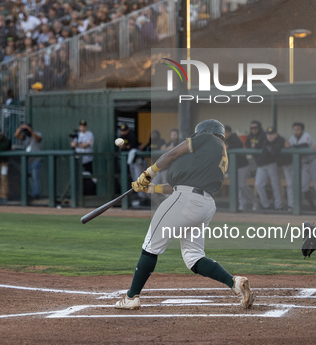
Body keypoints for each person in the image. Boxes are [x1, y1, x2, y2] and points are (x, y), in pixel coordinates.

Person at [114, 119, 253, 310]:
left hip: (186, 200)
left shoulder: (208, 139)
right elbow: (181, 186)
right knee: (194, 257)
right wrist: (150, 189)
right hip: (204, 204)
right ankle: (234, 283)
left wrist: (149, 172)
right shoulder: (218, 153)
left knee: (150, 246)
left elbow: (172, 154)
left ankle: (131, 297)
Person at [285, 122, 316, 211]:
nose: (296, 131)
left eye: (298, 129)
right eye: (294, 129)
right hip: (304, 164)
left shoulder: (306, 135)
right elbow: (287, 145)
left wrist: (292, 146)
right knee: (303, 187)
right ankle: (313, 208)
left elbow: (305, 145)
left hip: (313, 162)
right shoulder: (293, 138)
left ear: (302, 130)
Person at [225, 125, 256, 211]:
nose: (225, 134)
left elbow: (238, 145)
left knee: (242, 185)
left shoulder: (234, 138)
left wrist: (228, 147)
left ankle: (255, 200)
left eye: (226, 133)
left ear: (229, 132)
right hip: (233, 166)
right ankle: (242, 204)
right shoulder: (223, 140)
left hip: (243, 165)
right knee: (236, 186)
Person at [255, 126, 284, 210]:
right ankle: (265, 205)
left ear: (276, 134)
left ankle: (279, 205)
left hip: (273, 164)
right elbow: (265, 152)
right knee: (258, 184)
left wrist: (270, 150)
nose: (270, 136)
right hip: (262, 164)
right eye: (268, 134)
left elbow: (274, 151)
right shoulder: (265, 140)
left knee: (276, 184)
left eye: (272, 134)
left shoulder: (280, 139)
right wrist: (269, 150)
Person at [15, 123, 43, 200]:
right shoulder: (25, 137)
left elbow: (39, 138)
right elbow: (16, 135)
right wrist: (21, 127)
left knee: (35, 177)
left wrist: (30, 131)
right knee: (30, 178)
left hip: (36, 160)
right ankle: (33, 193)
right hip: (29, 160)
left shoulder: (36, 133)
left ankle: (36, 194)